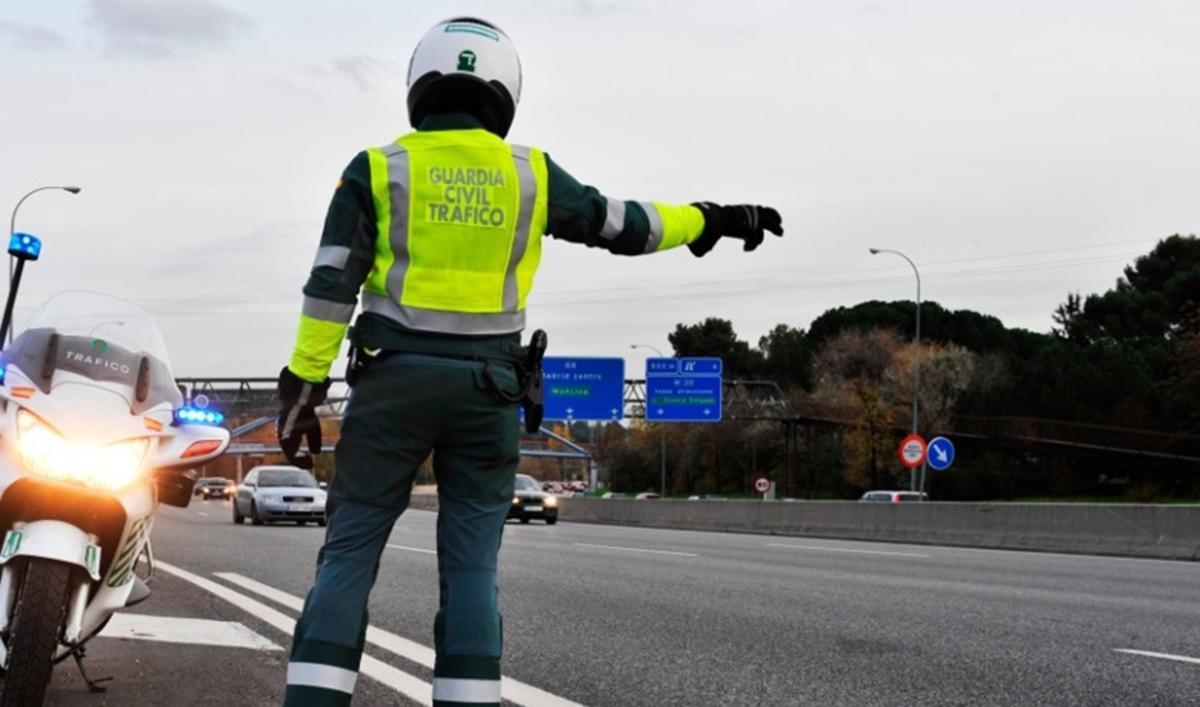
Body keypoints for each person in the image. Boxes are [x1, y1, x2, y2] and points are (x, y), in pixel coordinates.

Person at [275, 16, 783, 707]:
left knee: (349, 556)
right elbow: (624, 223)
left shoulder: (378, 168)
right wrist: (712, 219)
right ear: (504, 91)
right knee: (472, 568)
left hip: (391, 389)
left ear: (420, 86)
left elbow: (331, 285)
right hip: (489, 395)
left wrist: (303, 386)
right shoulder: (531, 175)